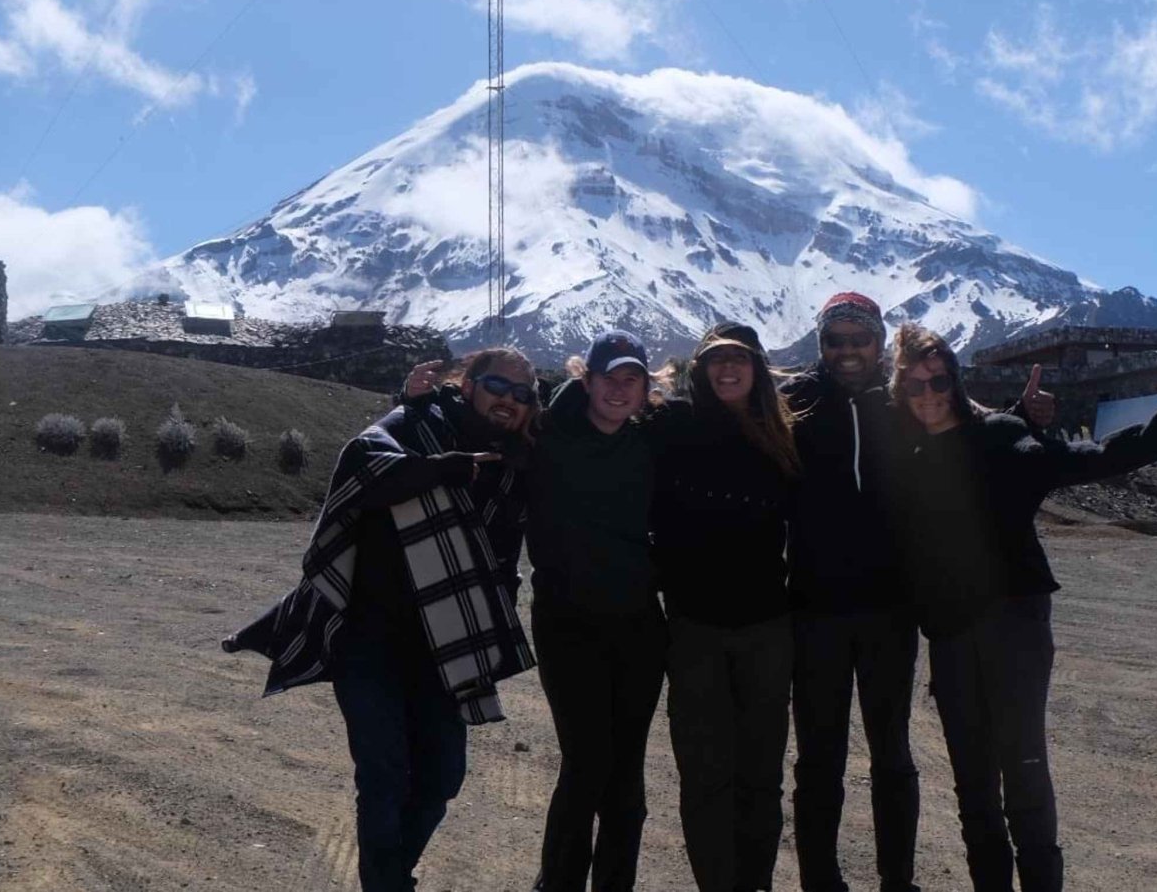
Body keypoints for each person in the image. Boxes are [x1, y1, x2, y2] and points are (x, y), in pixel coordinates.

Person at [864, 324, 1157, 892]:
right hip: (949, 632)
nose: (928, 394)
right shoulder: (904, 452)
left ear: (955, 379)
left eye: (939, 380)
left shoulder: (1000, 438)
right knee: (972, 781)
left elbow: (1083, 459)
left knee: (1022, 769)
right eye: (914, 384)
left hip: (1013, 623)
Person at [222, 348, 539, 892]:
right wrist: (439, 467)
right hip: (369, 641)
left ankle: (390, 876)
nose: (508, 400)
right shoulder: (419, 421)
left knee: (442, 778)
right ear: (468, 386)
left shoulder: (516, 465)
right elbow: (362, 463)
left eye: (522, 394)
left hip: (448, 647)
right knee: (384, 774)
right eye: (496, 386)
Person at [783, 292, 1054, 892]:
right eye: (836, 340)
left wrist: (1023, 421)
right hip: (814, 609)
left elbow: (963, 422)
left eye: (860, 339)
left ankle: (896, 881)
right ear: (821, 344)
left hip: (889, 609)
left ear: (879, 343)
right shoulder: (794, 401)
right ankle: (820, 882)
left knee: (892, 756)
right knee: (818, 759)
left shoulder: (901, 399)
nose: (848, 351)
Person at [649, 321, 800, 892]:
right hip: (694, 629)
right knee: (705, 774)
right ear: (701, 369)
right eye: (717, 360)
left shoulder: (783, 433)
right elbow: (588, 414)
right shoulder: (672, 425)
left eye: (740, 359)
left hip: (766, 627)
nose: (728, 369)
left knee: (760, 775)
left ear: (758, 367)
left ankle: (755, 882)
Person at [526, 330, 665, 892]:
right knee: (586, 764)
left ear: (644, 389)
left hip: (637, 625)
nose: (619, 388)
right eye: (609, 376)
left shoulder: (652, 441)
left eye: (631, 379)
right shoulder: (549, 435)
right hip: (567, 623)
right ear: (586, 380)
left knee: (626, 773)